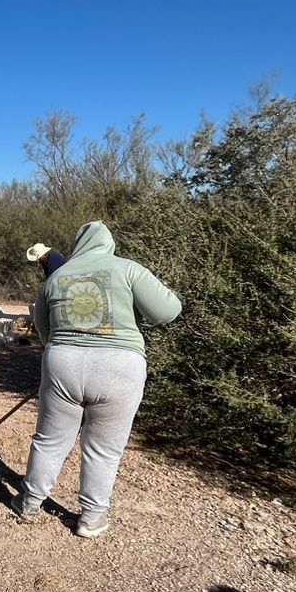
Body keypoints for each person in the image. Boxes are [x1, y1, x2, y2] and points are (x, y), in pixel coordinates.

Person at [19, 221, 181, 537]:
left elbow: (42, 327)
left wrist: (61, 353)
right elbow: (166, 311)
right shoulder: (129, 269)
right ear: (107, 243)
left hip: (63, 363)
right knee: (103, 449)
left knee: (50, 441)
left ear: (78, 244)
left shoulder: (56, 278)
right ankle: (91, 519)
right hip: (120, 367)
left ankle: (28, 503)